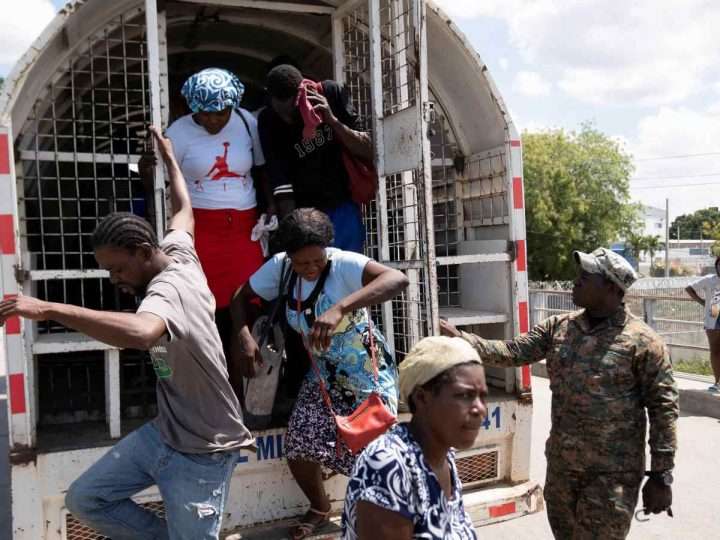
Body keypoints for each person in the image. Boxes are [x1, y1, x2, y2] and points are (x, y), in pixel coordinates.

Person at [0, 127, 252, 540]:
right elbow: (184, 210)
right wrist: (171, 160)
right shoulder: (178, 251)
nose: (115, 279)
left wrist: (47, 308)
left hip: (204, 449)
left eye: (118, 269)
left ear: (141, 251)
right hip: (164, 433)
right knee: (86, 500)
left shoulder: (168, 291)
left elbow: (141, 332)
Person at [441, 247, 678, 540]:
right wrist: (461, 339)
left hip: (611, 478)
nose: (575, 281)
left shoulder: (644, 343)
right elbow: (512, 351)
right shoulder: (560, 327)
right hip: (562, 471)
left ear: (610, 287)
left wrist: (661, 475)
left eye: (585, 277)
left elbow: (663, 410)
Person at [230, 208, 407, 539]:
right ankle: (320, 506)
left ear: (328, 249)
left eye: (317, 261)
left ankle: (385, 522)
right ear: (288, 257)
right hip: (323, 376)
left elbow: (397, 278)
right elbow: (239, 296)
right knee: (299, 445)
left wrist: (341, 307)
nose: (310, 269)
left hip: (366, 375)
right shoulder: (280, 267)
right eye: (302, 263)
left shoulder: (342, 264)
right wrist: (243, 336)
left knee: (374, 456)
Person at [140, 67, 274, 393]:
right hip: (201, 228)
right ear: (192, 109)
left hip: (244, 229)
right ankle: (210, 386)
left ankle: (252, 390)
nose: (215, 120)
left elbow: (263, 170)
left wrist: (270, 210)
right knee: (204, 305)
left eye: (222, 112)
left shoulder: (247, 123)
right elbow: (163, 182)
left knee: (249, 303)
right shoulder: (179, 133)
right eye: (206, 114)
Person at [342, 336, 485, 540]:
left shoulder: (444, 455)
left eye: (482, 396)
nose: (480, 409)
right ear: (421, 398)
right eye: (464, 395)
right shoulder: (388, 465)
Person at [258, 64, 371, 253]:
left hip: (342, 205)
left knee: (348, 268)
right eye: (281, 111)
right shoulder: (268, 119)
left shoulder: (330, 93)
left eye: (292, 110)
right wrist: (293, 232)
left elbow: (367, 149)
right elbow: (279, 178)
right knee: (312, 271)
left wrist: (332, 120)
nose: (287, 118)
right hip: (305, 213)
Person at [686, 256, 720, 392]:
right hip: (714, 311)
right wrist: (702, 302)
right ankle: (717, 383)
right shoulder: (710, 279)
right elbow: (689, 288)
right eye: (719, 265)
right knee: (715, 351)